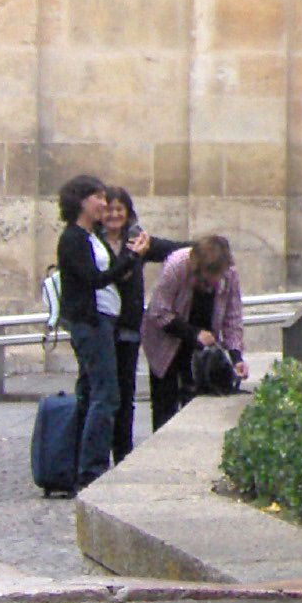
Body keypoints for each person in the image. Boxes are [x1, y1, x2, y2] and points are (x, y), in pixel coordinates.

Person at [54, 173, 142, 490]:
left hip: (104, 320)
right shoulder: (73, 238)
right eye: (99, 198)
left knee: (93, 393)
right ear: (82, 201)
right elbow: (95, 278)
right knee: (106, 395)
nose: (104, 205)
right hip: (90, 322)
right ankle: (91, 469)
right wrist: (129, 259)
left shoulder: (92, 236)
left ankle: (83, 464)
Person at [98, 187, 184, 465]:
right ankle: (93, 455)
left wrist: (208, 244)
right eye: (109, 209)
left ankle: (123, 454)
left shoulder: (137, 239)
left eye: (119, 209)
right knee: (99, 393)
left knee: (125, 394)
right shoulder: (93, 242)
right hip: (99, 325)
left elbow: (173, 248)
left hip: (128, 326)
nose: (114, 214)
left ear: (128, 212)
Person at [143, 235, 247, 430]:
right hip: (166, 339)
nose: (215, 280)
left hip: (202, 348)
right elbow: (158, 311)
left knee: (198, 399)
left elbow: (232, 318)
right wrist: (193, 334)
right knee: (165, 405)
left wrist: (236, 357)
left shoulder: (229, 273)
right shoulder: (177, 265)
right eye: (211, 274)